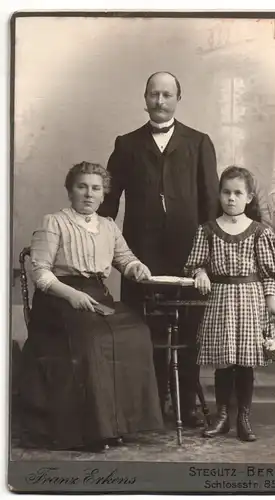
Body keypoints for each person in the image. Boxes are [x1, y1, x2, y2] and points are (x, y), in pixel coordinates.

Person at [98, 71, 219, 427]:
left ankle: (187, 406)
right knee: (143, 329)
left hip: (189, 254)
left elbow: (211, 203)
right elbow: (108, 204)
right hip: (140, 254)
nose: (160, 101)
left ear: (178, 98)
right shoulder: (127, 144)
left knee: (189, 329)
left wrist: (206, 259)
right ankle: (148, 408)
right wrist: (99, 245)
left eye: (167, 94)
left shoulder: (199, 142)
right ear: (145, 97)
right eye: (154, 94)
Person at [18, 161, 163, 452]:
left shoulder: (108, 226)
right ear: (70, 190)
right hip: (57, 299)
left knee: (136, 333)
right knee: (91, 338)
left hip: (98, 297)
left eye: (95, 188)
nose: (88, 194)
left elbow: (124, 258)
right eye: (81, 186)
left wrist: (136, 268)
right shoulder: (54, 222)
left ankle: (119, 425)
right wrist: (70, 294)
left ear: (104, 193)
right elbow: (41, 272)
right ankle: (91, 431)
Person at [184, 166, 275, 441]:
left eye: (238, 193)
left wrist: (271, 303)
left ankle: (244, 418)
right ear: (220, 195)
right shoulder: (207, 230)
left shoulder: (260, 232)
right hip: (220, 300)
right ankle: (223, 416)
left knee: (245, 363)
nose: (231, 198)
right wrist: (201, 273)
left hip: (251, 300)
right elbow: (195, 264)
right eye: (226, 192)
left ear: (249, 197)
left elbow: (268, 273)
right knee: (224, 362)